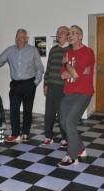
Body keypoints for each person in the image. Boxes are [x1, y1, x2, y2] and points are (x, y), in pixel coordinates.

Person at [0, 28, 44, 142]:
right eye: (17, 37)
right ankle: (15, 133)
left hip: (29, 83)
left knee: (27, 110)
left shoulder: (33, 50)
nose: (18, 39)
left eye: (21, 37)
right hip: (15, 84)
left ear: (26, 39)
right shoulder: (10, 50)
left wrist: (35, 83)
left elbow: (40, 68)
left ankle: (26, 133)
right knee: (13, 109)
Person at [58, 25, 95, 167]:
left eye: (74, 33)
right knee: (63, 122)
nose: (70, 35)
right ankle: (81, 149)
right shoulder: (67, 53)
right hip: (69, 92)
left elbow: (74, 74)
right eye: (69, 33)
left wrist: (68, 65)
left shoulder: (88, 52)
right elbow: (63, 75)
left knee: (70, 122)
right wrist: (72, 71)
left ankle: (72, 156)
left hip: (83, 93)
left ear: (80, 36)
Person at [42, 26, 70, 147]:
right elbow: (48, 68)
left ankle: (65, 138)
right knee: (49, 113)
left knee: (63, 114)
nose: (59, 35)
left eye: (61, 33)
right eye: (58, 33)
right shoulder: (53, 50)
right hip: (52, 86)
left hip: (64, 88)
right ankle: (48, 136)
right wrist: (45, 84)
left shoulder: (71, 50)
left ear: (68, 35)